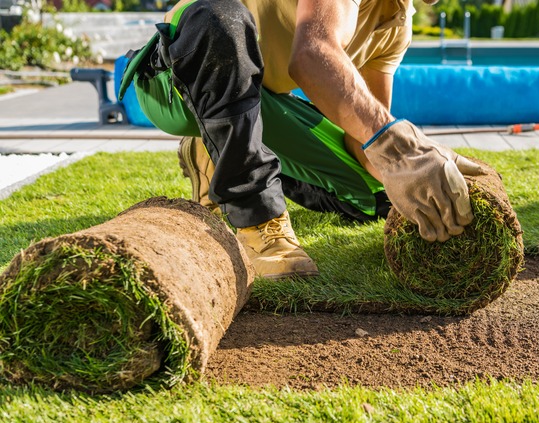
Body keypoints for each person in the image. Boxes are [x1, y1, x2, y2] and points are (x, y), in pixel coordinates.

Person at [144, 0, 483, 280]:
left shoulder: (395, 24)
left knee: (374, 197)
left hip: (256, 101)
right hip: (176, 74)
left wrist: (416, 164)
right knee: (218, 15)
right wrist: (399, 146)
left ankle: (211, 151)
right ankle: (258, 219)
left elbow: (365, 136)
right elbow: (311, 56)